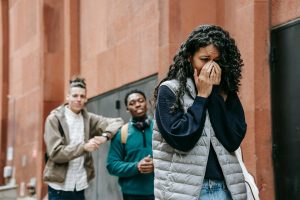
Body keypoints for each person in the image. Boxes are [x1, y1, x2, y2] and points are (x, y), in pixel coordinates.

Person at [152, 24, 248, 200]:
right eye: (204, 59)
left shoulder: (226, 92)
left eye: (217, 61)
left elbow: (232, 139)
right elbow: (181, 139)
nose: (210, 67)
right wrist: (202, 96)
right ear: (190, 58)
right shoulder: (170, 90)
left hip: (226, 188)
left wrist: (215, 97)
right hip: (186, 192)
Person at [43, 76, 124, 200]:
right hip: (59, 187)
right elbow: (55, 153)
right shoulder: (54, 119)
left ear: (86, 98)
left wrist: (104, 136)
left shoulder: (88, 118)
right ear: (68, 97)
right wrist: (84, 147)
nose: (79, 99)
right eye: (75, 96)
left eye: (82, 96)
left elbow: (118, 121)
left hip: (80, 185)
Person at [106, 89, 154, 200]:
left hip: (159, 190)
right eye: (132, 103)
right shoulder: (121, 133)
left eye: (140, 100)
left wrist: (156, 164)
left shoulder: (159, 129)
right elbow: (112, 165)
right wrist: (136, 166)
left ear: (146, 103)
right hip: (131, 195)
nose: (137, 105)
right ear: (127, 109)